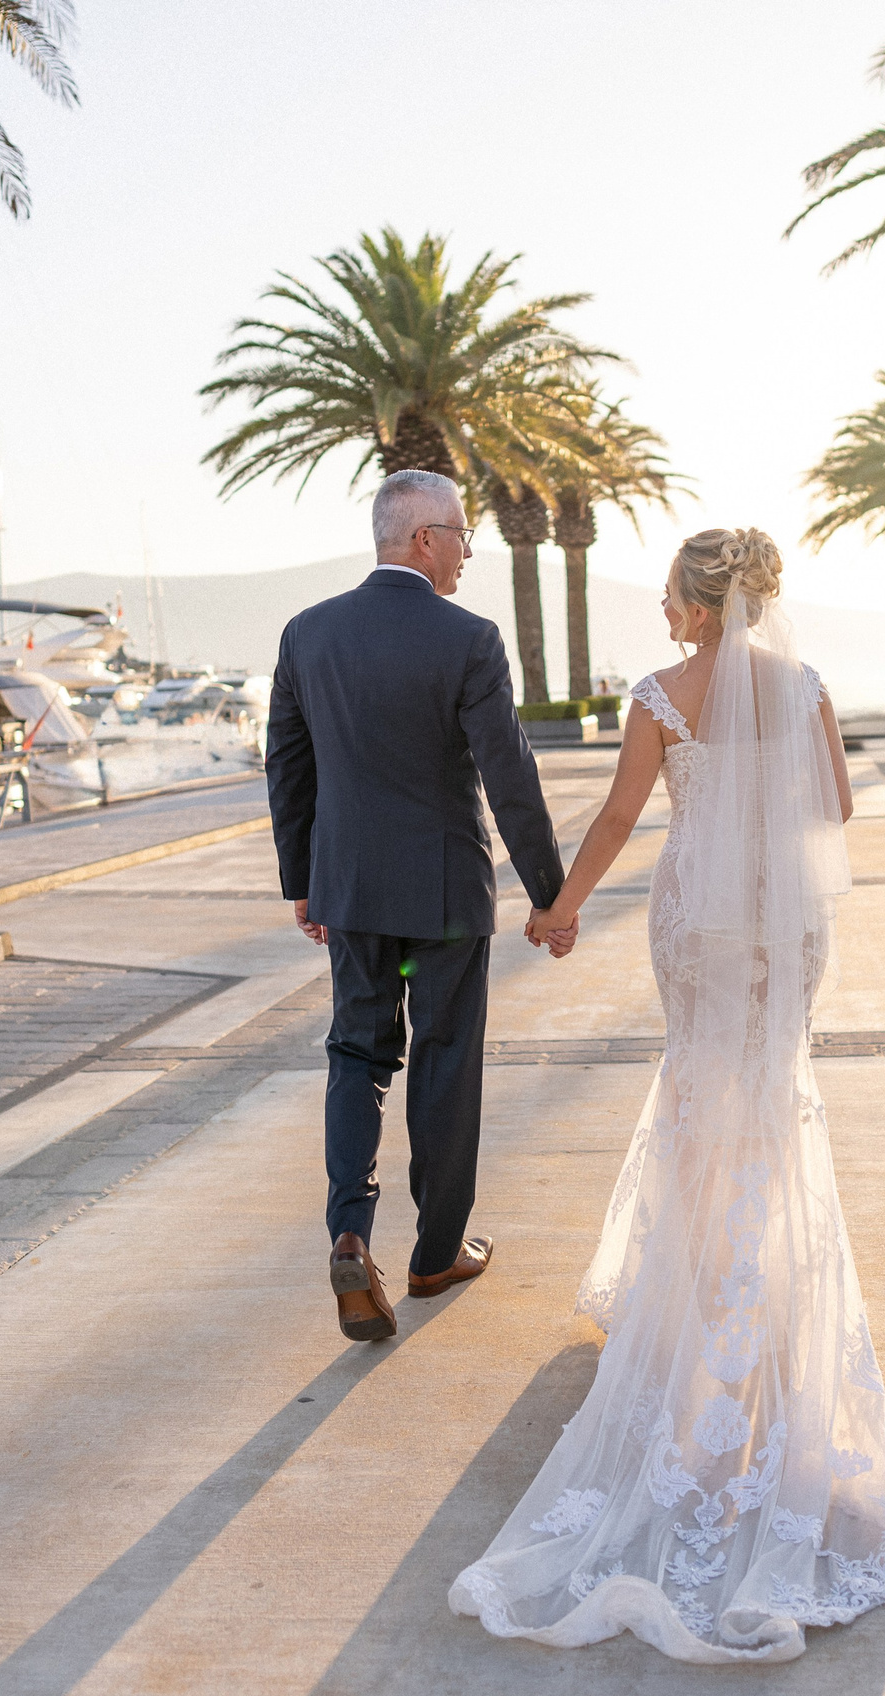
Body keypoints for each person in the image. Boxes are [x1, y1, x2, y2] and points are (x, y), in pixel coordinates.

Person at [450, 528, 885, 1663]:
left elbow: (619, 817)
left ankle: (707, 1295)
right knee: (770, 1103)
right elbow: (840, 815)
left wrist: (560, 908)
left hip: (697, 932)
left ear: (704, 606)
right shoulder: (804, 684)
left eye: (670, 594)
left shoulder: (662, 696)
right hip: (784, 929)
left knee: (702, 1112)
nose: (661, 609)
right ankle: (762, 1307)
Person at [265, 470, 573, 1345]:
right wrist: (550, 896)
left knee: (356, 1052)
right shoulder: (468, 638)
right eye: (465, 535)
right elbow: (509, 774)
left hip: (354, 892)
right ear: (424, 539)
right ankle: (436, 1252)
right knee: (443, 1058)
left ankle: (351, 1233)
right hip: (442, 896)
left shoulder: (307, 632)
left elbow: (285, 762)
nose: (471, 551)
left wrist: (304, 879)